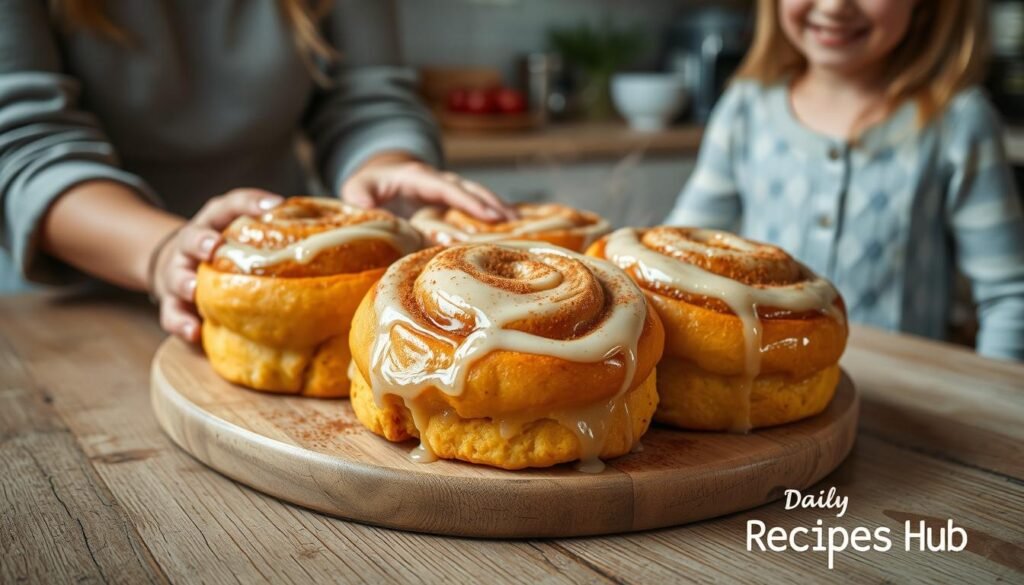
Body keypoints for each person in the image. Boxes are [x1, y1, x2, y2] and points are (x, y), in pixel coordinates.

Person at [0, 0, 515, 342]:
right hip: (69, 315)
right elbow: (22, 140)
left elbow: (368, 97)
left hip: (293, 303)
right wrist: (163, 253)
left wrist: (388, 164)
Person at [666, 0, 1024, 361]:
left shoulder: (959, 123)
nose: (834, 6)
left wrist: (992, 400)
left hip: (906, 404)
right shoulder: (744, 110)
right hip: (773, 391)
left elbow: (1010, 297)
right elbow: (673, 255)